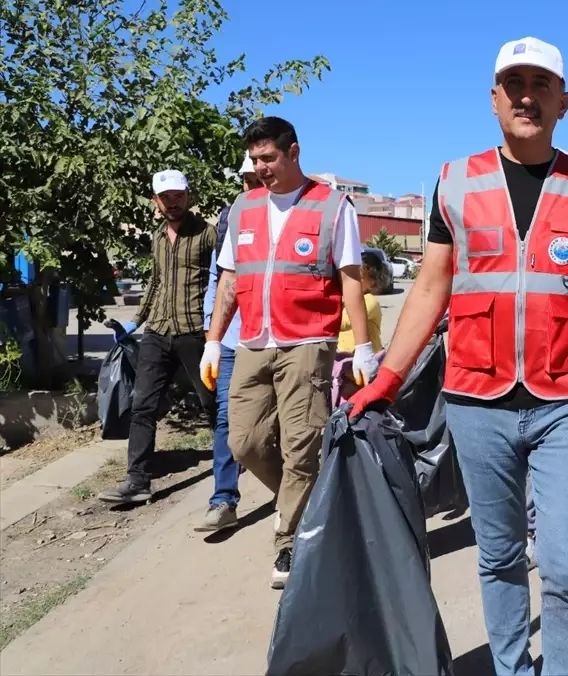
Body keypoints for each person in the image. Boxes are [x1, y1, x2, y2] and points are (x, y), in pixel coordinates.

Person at [346, 36, 568, 676]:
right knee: (500, 555)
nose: (526, 95)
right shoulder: (454, 182)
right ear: (493, 99)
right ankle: (514, 669)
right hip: (476, 397)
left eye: (541, 84)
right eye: (514, 83)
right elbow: (430, 286)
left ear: (562, 102)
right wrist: (387, 378)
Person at [203, 116, 379, 589]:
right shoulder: (243, 207)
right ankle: (311, 504)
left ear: (294, 151)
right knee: (245, 441)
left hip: (307, 342)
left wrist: (363, 347)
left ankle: (290, 539)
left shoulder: (331, 206)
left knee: (301, 445)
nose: (261, 168)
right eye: (254, 160)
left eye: (269, 158)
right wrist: (214, 340)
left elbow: (349, 279)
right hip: (254, 342)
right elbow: (230, 279)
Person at [99, 170, 218, 505]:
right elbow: (155, 282)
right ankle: (138, 481)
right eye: (165, 197)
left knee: (211, 403)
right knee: (142, 405)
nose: (173, 202)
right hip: (158, 331)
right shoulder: (156, 237)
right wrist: (135, 323)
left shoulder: (207, 235)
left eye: (178, 195)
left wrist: (219, 328)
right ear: (156, 201)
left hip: (196, 331)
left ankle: (231, 462)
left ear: (188, 196)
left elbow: (224, 280)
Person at [195, 154, 261, 532]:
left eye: (258, 179)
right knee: (225, 418)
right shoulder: (229, 220)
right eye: (247, 180)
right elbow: (218, 282)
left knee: (275, 424)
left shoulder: (283, 217)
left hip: (273, 341)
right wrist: (212, 338)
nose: (252, 186)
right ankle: (223, 499)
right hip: (234, 340)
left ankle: (290, 499)